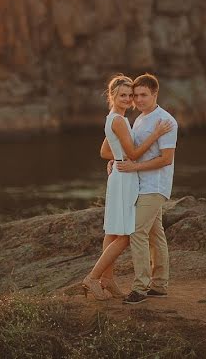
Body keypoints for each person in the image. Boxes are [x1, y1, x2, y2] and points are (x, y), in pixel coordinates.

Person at [82, 74, 172, 301]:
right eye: (124, 95)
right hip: (126, 178)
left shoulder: (115, 118)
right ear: (112, 96)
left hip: (123, 175)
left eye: (131, 95)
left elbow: (105, 152)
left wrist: (117, 158)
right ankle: (93, 277)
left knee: (113, 231)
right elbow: (132, 154)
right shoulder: (120, 120)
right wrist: (155, 135)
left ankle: (107, 280)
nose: (130, 98)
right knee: (125, 233)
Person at [105, 73, 177, 304]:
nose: (138, 100)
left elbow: (166, 159)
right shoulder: (138, 119)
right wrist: (116, 159)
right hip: (139, 184)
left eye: (143, 95)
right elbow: (125, 148)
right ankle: (159, 285)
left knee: (137, 232)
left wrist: (135, 165)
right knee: (156, 234)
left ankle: (140, 288)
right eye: (135, 95)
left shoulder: (166, 121)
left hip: (155, 186)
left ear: (155, 94)